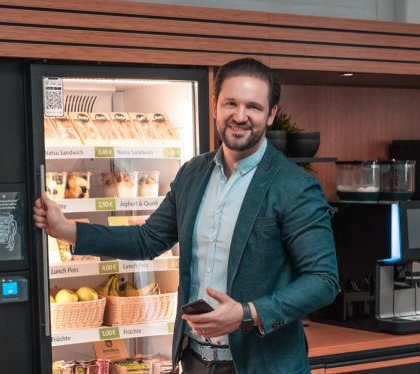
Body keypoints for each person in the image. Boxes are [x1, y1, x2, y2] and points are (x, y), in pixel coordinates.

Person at [33, 58, 339, 374]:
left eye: (254, 107)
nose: (240, 116)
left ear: (271, 114)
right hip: (194, 361)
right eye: (230, 103)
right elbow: (146, 240)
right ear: (215, 105)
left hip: (263, 366)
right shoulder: (194, 173)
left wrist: (247, 313)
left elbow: (323, 280)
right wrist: (67, 229)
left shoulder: (295, 185)